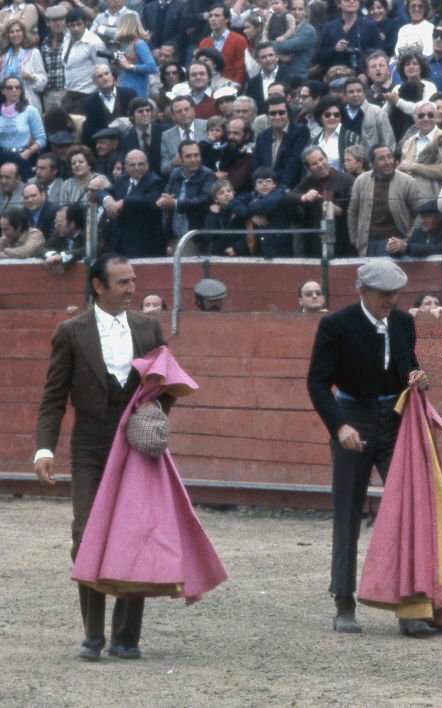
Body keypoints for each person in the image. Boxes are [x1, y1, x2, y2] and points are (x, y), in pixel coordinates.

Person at [33, 253, 166, 661]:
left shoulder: (149, 329)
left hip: (135, 448)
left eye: (132, 281)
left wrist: (154, 419)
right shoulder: (71, 332)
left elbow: (164, 386)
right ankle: (93, 633)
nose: (132, 290)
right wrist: (44, 447)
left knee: (137, 534)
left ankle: (126, 635)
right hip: (90, 447)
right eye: (123, 282)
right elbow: (54, 397)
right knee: (86, 533)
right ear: (98, 286)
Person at [306, 259, 431, 637]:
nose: (391, 300)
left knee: (409, 509)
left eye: (395, 293)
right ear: (362, 291)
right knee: (347, 511)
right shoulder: (335, 325)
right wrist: (339, 425)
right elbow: (317, 382)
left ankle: (411, 605)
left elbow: (407, 367)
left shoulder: (404, 322)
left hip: (394, 418)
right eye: (384, 294)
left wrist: (418, 377)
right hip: (353, 417)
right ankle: (344, 600)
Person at [347, 144, 423, 257]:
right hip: (367, 244)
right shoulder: (361, 181)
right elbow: (353, 212)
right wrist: (355, 240)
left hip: (395, 245)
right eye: (381, 159)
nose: (388, 162)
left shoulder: (408, 182)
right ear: (372, 164)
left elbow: (420, 214)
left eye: (389, 157)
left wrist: (407, 241)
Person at [98, 149, 165, 257]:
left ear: (147, 164)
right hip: (119, 243)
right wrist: (108, 200)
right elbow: (103, 191)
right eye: (132, 165)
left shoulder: (155, 181)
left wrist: (124, 202)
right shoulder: (123, 180)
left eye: (141, 164)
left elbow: (151, 200)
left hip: (144, 244)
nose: (137, 168)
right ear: (126, 166)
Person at [397, 99, 442, 198]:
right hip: (409, 197)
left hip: (434, 198)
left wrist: (414, 167)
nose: (426, 118)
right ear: (415, 119)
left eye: (430, 115)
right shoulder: (408, 143)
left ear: (436, 117)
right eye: (421, 115)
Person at [0, 75, 43, 179]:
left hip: (23, 155)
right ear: (3, 91)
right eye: (9, 88)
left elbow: (41, 139)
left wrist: (28, 153)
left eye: (17, 87)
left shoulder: (30, 110)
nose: (14, 90)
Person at [198, 5, 248, 85]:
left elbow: (241, 68)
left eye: (217, 16)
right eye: (210, 16)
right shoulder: (204, 43)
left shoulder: (239, 40)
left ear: (227, 19)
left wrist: (236, 86)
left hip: (232, 86)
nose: (212, 19)